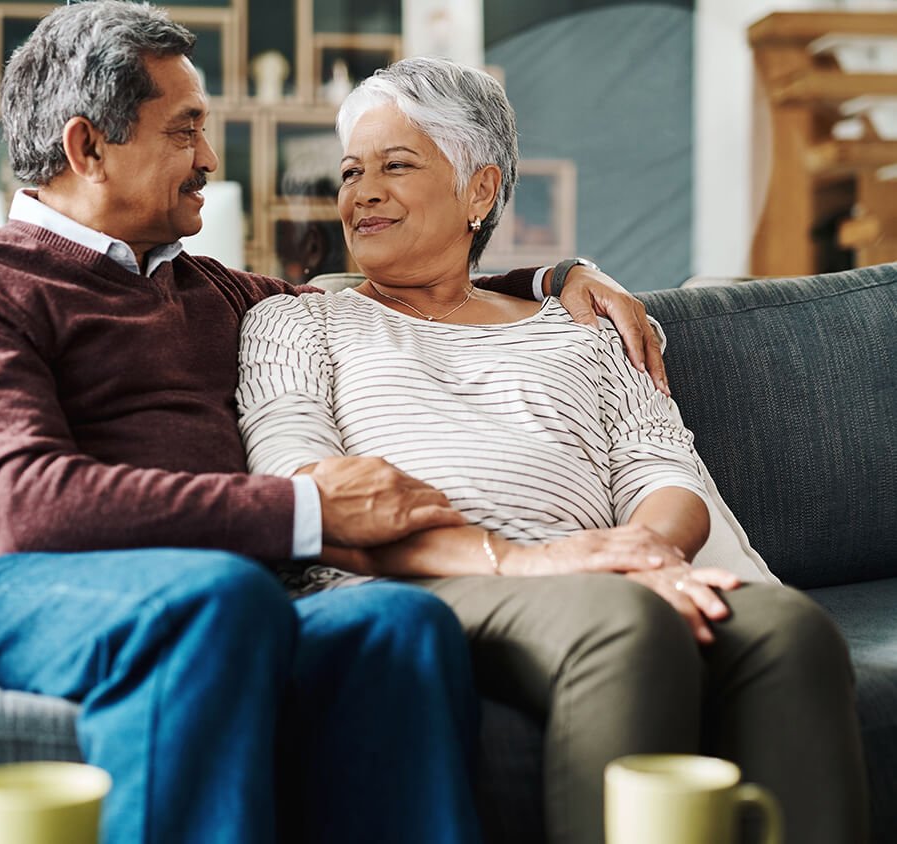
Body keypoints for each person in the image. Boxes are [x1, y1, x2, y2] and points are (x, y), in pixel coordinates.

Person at [0, 3, 673, 842]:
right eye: (184, 132)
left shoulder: (211, 292)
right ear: (87, 149)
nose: (209, 160)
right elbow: (27, 506)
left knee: (398, 622)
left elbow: (394, 294)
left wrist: (552, 278)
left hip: (209, 594)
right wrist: (307, 514)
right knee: (221, 596)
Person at [235, 57, 868, 844]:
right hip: (419, 577)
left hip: (595, 572)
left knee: (785, 629)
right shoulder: (298, 324)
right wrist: (557, 566)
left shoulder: (583, 327)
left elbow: (662, 470)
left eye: (396, 165)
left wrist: (640, 549)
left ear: (479, 190)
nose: (361, 192)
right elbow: (303, 487)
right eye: (352, 171)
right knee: (623, 621)